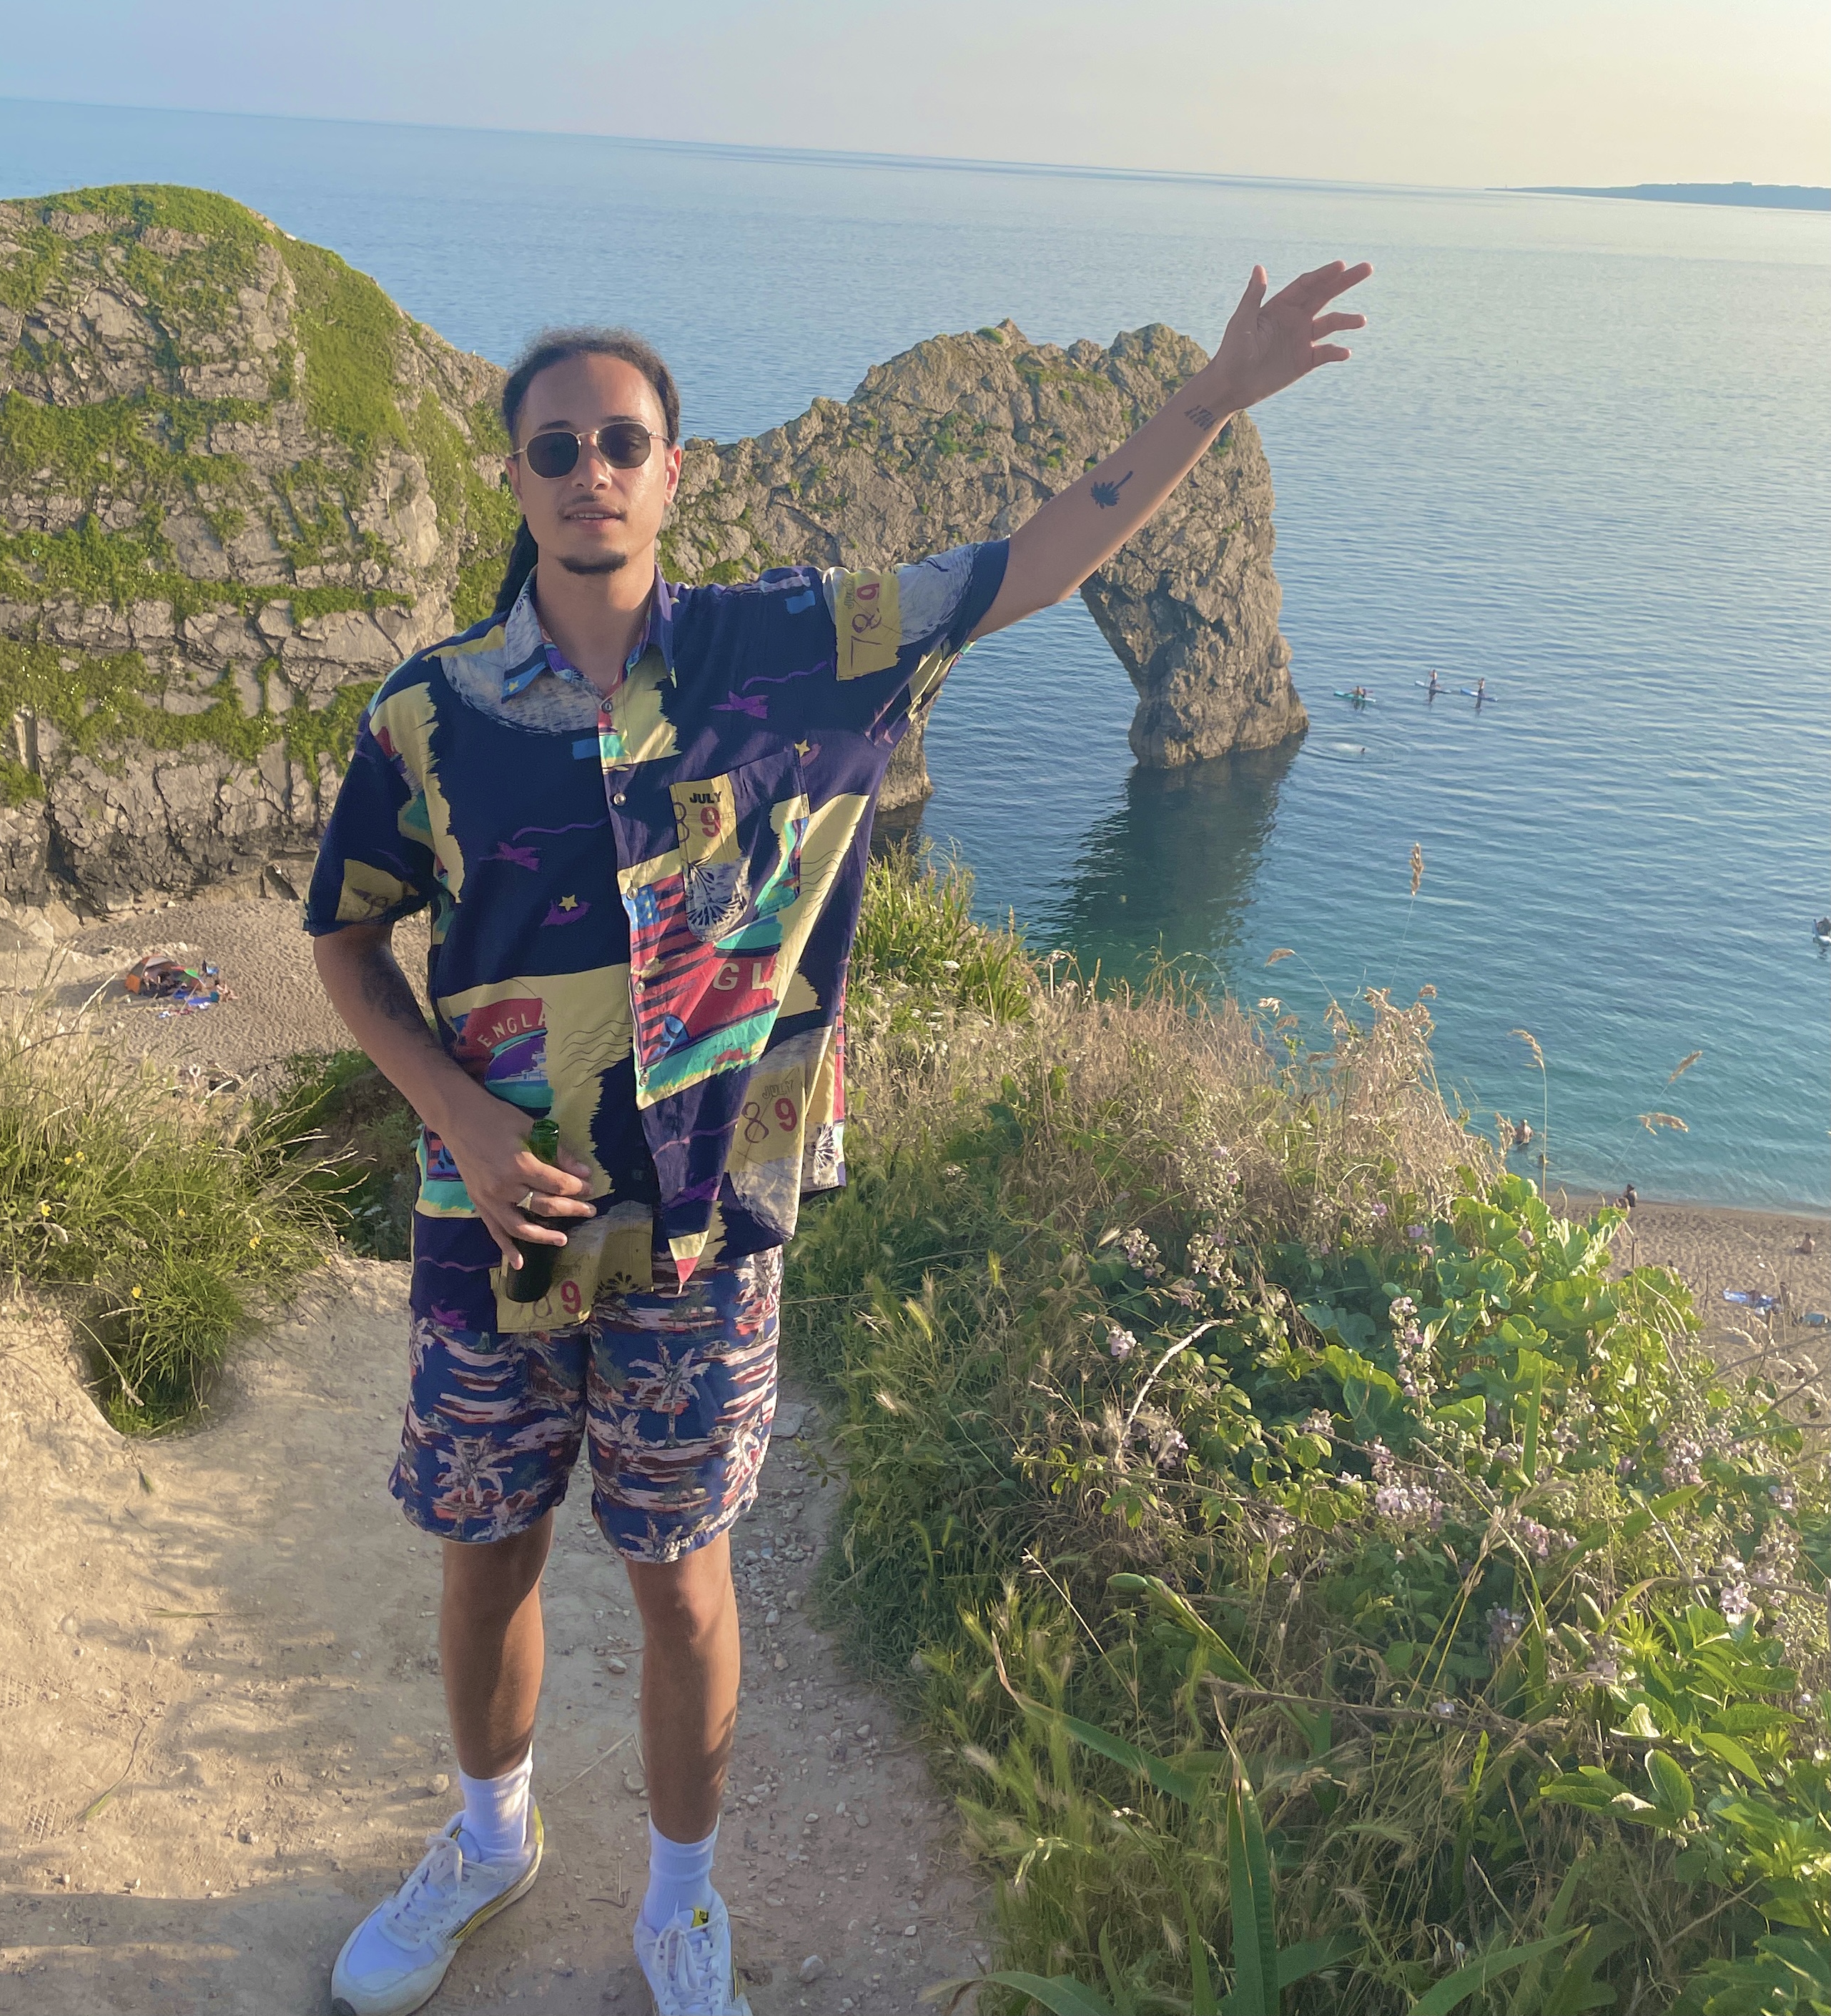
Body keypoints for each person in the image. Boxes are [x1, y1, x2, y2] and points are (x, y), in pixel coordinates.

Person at [307, 257, 1370, 2016]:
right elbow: (346, 942)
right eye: (555, 446)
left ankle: (680, 1902)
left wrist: (1211, 398)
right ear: (513, 476)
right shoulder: (430, 714)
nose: (590, 472)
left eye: (622, 443)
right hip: (496, 1218)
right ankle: (491, 1842)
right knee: (487, 1553)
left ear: (674, 472)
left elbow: (1033, 563)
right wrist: (464, 1125)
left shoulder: (797, 648)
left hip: (705, 1223)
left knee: (682, 1581)